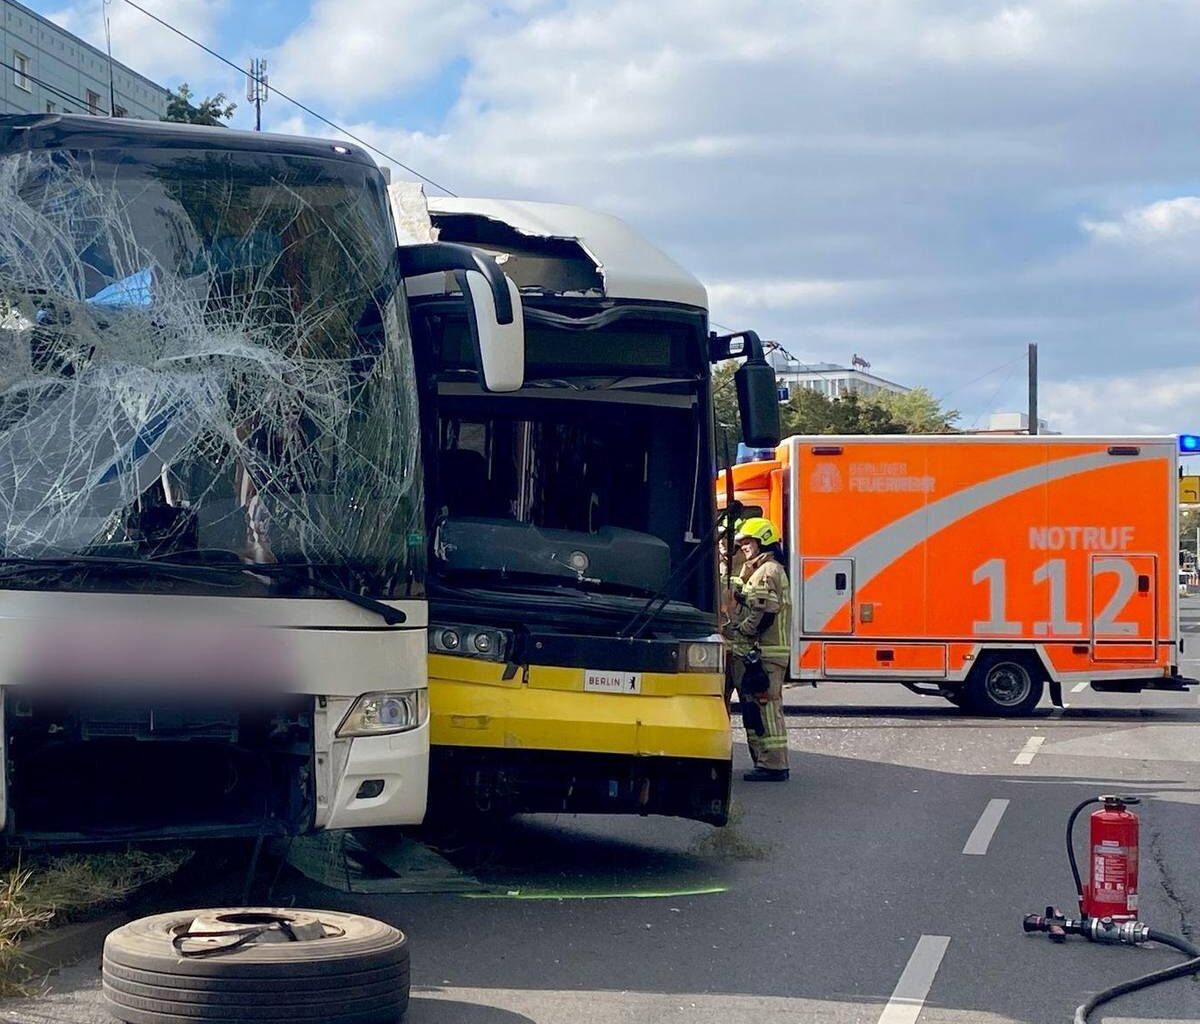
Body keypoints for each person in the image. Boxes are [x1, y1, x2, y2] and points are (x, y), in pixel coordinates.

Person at [721, 516, 790, 781]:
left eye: (748, 542)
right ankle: (766, 763)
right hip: (764, 654)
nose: (744, 546)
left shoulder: (767, 571)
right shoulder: (762, 569)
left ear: (763, 541)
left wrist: (741, 630)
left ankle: (773, 765)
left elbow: (764, 613)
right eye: (742, 543)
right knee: (757, 709)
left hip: (765, 654)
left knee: (766, 709)